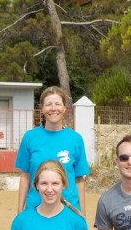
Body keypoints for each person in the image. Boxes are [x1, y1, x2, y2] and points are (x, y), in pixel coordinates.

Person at [16, 86, 90, 215]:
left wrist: (81, 214)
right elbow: (25, 176)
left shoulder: (75, 139)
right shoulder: (30, 137)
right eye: (48, 104)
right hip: (35, 209)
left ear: (64, 108)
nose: (53, 108)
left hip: (68, 210)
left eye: (57, 104)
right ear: (42, 109)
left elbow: (79, 180)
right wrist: (19, 211)